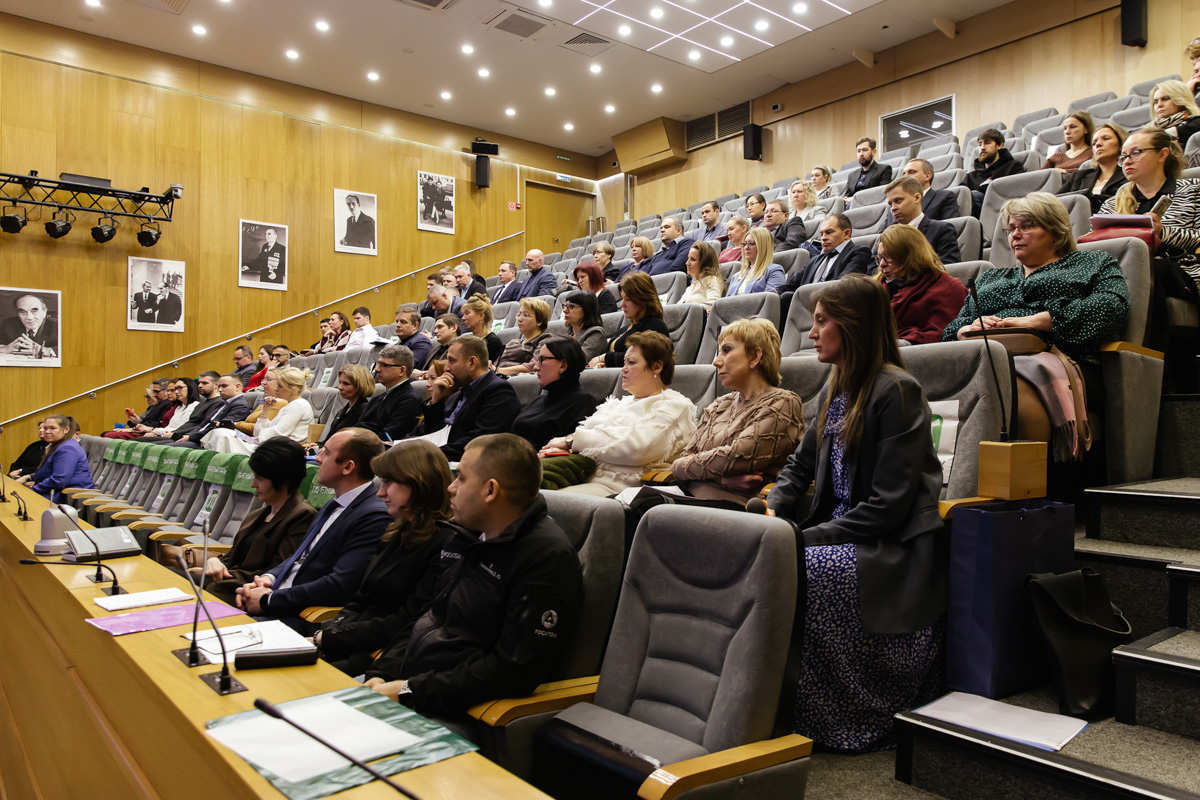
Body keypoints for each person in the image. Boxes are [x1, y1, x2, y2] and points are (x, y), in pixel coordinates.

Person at [767, 275, 946, 753]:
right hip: (844, 531)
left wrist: (800, 539)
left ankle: (834, 716)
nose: (810, 333)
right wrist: (771, 508)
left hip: (890, 545)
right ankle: (768, 703)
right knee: (762, 559)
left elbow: (888, 507)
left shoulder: (897, 390)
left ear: (852, 327)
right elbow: (799, 464)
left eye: (821, 322)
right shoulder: (836, 385)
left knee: (799, 568)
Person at [363, 434, 582, 720]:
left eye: (461, 479)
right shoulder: (465, 535)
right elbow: (428, 616)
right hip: (408, 689)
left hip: (459, 713)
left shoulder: (545, 558)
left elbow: (513, 669)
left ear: (490, 490)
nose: (451, 488)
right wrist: (382, 672)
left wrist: (409, 690)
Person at [946, 193, 1129, 435]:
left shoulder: (1093, 262)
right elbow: (951, 329)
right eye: (1011, 229)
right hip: (987, 358)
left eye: (1027, 226)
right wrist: (966, 330)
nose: (1015, 235)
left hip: (1062, 359)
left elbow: (1111, 308)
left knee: (1006, 382)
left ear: (1055, 230)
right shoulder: (991, 277)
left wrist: (1036, 321)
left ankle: (1028, 470)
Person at [316, 439, 466, 678]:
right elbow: (362, 597)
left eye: (388, 483)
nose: (380, 492)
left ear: (419, 483)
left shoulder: (447, 543)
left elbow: (409, 619)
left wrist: (334, 639)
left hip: (381, 658)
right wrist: (328, 634)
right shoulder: (399, 530)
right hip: (350, 643)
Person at [236, 429, 391, 632]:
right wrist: (268, 579)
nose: (317, 458)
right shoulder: (334, 503)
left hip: (299, 618)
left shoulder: (373, 516)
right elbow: (300, 557)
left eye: (326, 453)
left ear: (347, 466)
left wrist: (269, 600)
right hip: (275, 603)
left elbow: (338, 585)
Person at [546, 332, 696, 496]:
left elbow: (635, 448)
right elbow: (593, 440)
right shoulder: (618, 404)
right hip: (582, 475)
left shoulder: (675, 406)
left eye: (631, 362)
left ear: (656, 367)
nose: (623, 368)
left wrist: (572, 441)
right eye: (624, 362)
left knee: (537, 500)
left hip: (619, 488)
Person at [673, 319, 803, 503]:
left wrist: (692, 468)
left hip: (737, 509)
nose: (716, 362)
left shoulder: (782, 403)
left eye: (727, 350)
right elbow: (681, 462)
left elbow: (737, 457)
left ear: (754, 357)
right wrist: (722, 478)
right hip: (688, 498)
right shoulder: (719, 405)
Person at [1099, 128, 1200, 359]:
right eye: (1123, 156)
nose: (1126, 161)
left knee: (1149, 265)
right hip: (1124, 271)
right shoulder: (1111, 205)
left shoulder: (1194, 190)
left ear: (1162, 154)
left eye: (1136, 153)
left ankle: (1150, 361)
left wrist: (1164, 233)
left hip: (1183, 270)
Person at [194, 438, 317, 605]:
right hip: (225, 584)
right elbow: (232, 559)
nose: (253, 484)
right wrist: (214, 562)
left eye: (259, 478)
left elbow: (275, 572)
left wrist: (220, 575)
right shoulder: (258, 513)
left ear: (283, 480)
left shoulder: (303, 516)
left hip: (244, 593)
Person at [412, 335, 521, 461]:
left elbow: (478, 442)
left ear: (472, 363)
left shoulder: (499, 391)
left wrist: (426, 455)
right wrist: (436, 400)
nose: (446, 368)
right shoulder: (458, 395)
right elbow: (429, 433)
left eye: (452, 361)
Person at [874, 225, 968, 345]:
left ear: (909, 257)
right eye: (880, 258)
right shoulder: (876, 288)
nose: (882, 264)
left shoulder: (948, 288)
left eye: (888, 258)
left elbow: (944, 334)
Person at [510, 337, 599, 450]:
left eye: (542, 359)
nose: (536, 367)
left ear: (563, 366)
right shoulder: (539, 400)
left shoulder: (584, 403)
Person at [205, 367, 314, 454]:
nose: (276, 389)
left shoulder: (299, 405)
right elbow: (258, 432)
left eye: (280, 386)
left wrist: (259, 437)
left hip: (281, 451)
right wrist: (265, 410)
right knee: (221, 433)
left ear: (293, 389)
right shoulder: (289, 405)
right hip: (271, 446)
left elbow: (279, 432)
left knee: (221, 434)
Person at [589, 272, 670, 368]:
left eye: (628, 299)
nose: (622, 304)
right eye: (622, 299)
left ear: (643, 300)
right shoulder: (626, 328)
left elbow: (642, 359)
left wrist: (605, 358)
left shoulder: (655, 326)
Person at [883, 177, 962, 265]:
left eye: (898, 201)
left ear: (917, 198)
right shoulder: (886, 235)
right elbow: (873, 270)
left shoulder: (942, 230)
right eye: (890, 204)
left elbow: (948, 267)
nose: (893, 208)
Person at [18, 414, 93, 503]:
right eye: (45, 428)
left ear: (67, 429)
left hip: (69, 497)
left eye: (52, 428)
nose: (47, 431)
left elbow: (59, 480)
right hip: (55, 492)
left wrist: (34, 490)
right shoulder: (57, 445)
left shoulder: (68, 448)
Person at [1058, 123, 1129, 213]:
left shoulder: (1130, 174)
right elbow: (1054, 201)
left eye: (1106, 138)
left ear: (1121, 145)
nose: (1098, 144)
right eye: (1094, 143)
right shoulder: (1079, 176)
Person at [357, 344, 421, 443]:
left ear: (402, 370)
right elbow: (359, 427)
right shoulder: (378, 398)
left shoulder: (410, 400)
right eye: (378, 364)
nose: (377, 369)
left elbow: (388, 437)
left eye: (385, 365)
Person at [966, 128, 1025, 215]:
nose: (982, 147)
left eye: (987, 143)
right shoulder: (971, 176)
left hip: (1000, 213)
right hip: (973, 217)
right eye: (980, 144)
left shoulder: (1013, 167)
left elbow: (1014, 197)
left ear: (999, 145)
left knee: (974, 195)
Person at [316, 363, 376, 446]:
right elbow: (328, 441)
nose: (340, 387)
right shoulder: (342, 411)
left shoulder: (366, 410)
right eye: (340, 382)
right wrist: (316, 445)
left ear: (360, 385)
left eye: (346, 384)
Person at [885, 159, 960, 223]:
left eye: (911, 172)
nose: (906, 176)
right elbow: (882, 234)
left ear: (927, 176)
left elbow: (949, 228)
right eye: (904, 173)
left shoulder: (944, 197)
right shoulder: (893, 206)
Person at [495, 297, 551, 376]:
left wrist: (498, 371)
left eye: (526, 315)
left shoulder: (545, 339)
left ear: (539, 321)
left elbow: (533, 366)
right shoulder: (512, 342)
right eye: (519, 314)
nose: (519, 319)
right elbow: (495, 364)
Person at [727, 227, 785, 295]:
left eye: (751, 243)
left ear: (763, 246)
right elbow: (726, 303)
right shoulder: (736, 276)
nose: (746, 247)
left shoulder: (773, 271)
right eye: (744, 244)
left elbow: (770, 300)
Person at [0, 293, 58, 357]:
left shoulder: (57, 326)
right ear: (18, 314)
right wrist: (5, 349)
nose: (29, 317)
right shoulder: (8, 324)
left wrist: (44, 350)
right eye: (23, 312)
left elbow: (68, 349)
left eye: (34, 311)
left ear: (44, 312)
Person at [1150, 79, 1200, 148]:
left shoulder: (1196, 122)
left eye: (1165, 99)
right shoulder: (1150, 128)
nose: (1159, 105)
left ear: (1181, 100)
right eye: (1156, 102)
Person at [560, 290, 607, 360]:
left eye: (571, 306)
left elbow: (580, 361)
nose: (565, 310)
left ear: (586, 309)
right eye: (566, 306)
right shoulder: (568, 334)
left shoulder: (596, 333)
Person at [844, 137, 894, 202]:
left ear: (873, 152)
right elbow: (846, 197)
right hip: (851, 207)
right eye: (859, 151)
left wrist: (855, 199)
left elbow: (882, 194)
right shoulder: (852, 175)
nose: (861, 154)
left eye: (864, 150)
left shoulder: (884, 170)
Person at [413, 313, 462, 378]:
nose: (435, 331)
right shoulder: (434, 349)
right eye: (435, 328)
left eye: (440, 327)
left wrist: (421, 373)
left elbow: (449, 372)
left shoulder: (459, 350)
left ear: (453, 328)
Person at [461, 293, 504, 363]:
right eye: (463, 314)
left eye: (467, 313)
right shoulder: (466, 340)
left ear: (481, 316)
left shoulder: (493, 342)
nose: (463, 318)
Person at [680, 241, 724, 306]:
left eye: (693, 259)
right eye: (688, 258)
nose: (687, 263)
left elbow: (712, 306)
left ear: (704, 263)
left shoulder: (712, 280)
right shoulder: (690, 287)